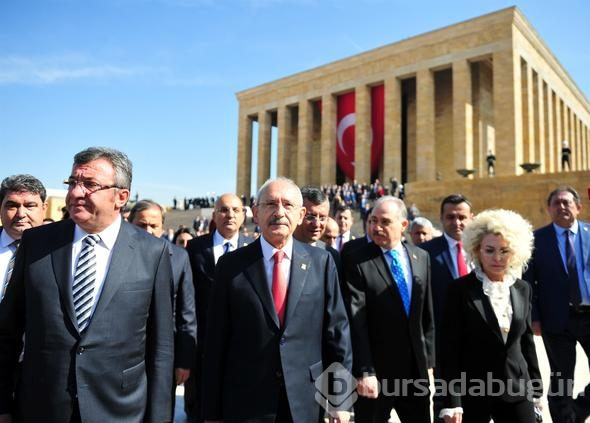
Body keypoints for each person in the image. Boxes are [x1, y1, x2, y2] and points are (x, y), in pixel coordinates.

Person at [0, 147, 175, 422]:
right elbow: (8, 332)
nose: (75, 193)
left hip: (120, 410)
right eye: (73, 183)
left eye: (90, 185)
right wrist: (3, 406)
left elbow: (161, 348)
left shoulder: (153, 252)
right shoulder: (36, 244)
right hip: (42, 407)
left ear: (121, 197)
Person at [203, 177, 352, 423]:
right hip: (245, 401)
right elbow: (216, 340)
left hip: (306, 400)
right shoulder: (230, 266)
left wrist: (340, 400)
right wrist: (211, 412)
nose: (279, 212)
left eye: (288, 205)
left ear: (301, 213)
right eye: (271, 204)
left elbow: (337, 333)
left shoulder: (322, 263)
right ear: (255, 212)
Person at [440, 209, 542, 422]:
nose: (497, 258)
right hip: (474, 390)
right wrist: (452, 401)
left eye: (504, 251)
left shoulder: (523, 288)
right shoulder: (459, 290)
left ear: (515, 253)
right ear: (477, 250)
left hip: (517, 388)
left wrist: (537, 389)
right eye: (490, 250)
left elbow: (526, 342)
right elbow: (449, 348)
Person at [344, 196, 435, 423]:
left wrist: (430, 363)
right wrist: (365, 370)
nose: (376, 227)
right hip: (376, 373)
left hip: (415, 372)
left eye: (384, 222)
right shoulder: (358, 260)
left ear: (403, 225)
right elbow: (357, 319)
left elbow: (426, 315)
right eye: (373, 221)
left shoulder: (421, 257)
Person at [524, 186, 590, 423]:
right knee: (562, 378)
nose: (562, 207)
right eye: (556, 203)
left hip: (589, 314)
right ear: (549, 209)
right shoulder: (536, 240)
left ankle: (580, 409)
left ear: (578, 207)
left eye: (567, 203)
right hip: (556, 319)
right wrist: (535, 317)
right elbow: (529, 283)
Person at [184, 193, 252, 422]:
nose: (229, 215)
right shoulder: (194, 248)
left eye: (235, 210)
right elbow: (187, 297)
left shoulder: (253, 250)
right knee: (199, 407)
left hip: (241, 345)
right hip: (202, 343)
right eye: (223, 210)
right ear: (214, 215)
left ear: (244, 215)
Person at [128, 200, 197, 396]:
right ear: (129, 224)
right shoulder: (114, 255)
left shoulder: (179, 257)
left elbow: (187, 313)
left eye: (153, 226)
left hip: (163, 354)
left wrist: (184, 360)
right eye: (142, 225)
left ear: (162, 228)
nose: (148, 231)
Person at [419, 194, 473, 421]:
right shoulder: (426, 253)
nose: (457, 222)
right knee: (445, 399)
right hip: (444, 339)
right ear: (441, 219)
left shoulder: (483, 249)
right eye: (450, 217)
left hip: (479, 337)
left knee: (479, 394)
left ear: (472, 218)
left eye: (462, 217)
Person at [0, 175, 47, 303]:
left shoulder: (60, 249)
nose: (21, 214)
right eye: (12, 206)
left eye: (30, 206)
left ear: (44, 209)